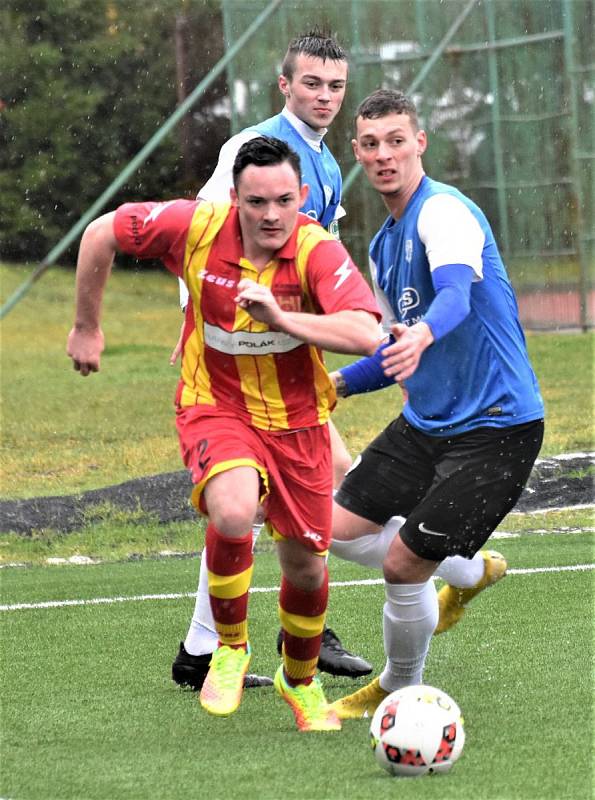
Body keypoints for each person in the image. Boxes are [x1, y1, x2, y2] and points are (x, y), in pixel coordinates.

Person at [66, 135, 382, 732]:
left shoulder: (316, 250)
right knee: (234, 511)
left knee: (307, 569)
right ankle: (230, 647)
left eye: (283, 201)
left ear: (303, 198)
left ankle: (301, 678)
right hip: (216, 406)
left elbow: (367, 334)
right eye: (257, 202)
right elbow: (102, 232)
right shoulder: (196, 227)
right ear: (235, 198)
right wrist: (86, 326)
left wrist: (284, 320)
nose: (270, 215)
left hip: (299, 423)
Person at [322, 89, 545, 719]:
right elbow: (389, 352)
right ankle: (471, 573)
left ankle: (396, 687)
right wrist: (336, 384)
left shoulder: (443, 213)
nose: (384, 154)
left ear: (420, 142)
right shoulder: (382, 247)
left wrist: (422, 333)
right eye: (370, 144)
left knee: (401, 563)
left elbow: (454, 295)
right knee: (331, 532)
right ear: (358, 154)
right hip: (425, 425)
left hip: (498, 428)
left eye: (397, 140)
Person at [171, 29, 373, 692]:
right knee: (301, 490)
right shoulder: (253, 150)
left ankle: (210, 647)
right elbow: (198, 234)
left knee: (308, 486)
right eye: (310, 83)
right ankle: (435, 571)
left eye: (335, 86)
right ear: (284, 85)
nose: (323, 96)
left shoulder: (326, 163)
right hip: (238, 366)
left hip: (285, 362)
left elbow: (320, 261)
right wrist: (195, 320)